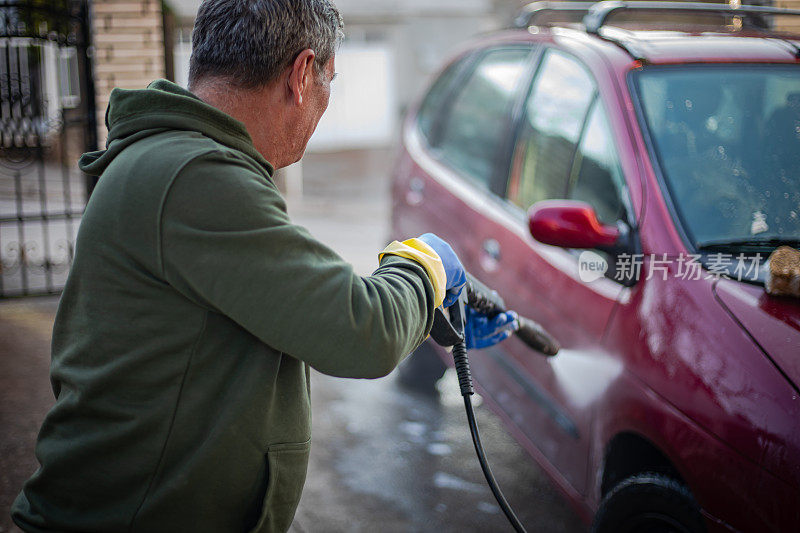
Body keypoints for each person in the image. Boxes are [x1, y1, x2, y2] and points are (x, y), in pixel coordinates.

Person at [11, 1, 517, 532]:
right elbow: (362, 332)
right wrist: (428, 262)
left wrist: (426, 305)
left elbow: (282, 312)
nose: (324, 105)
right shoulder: (195, 177)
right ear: (301, 75)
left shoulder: (177, 162)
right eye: (330, 82)